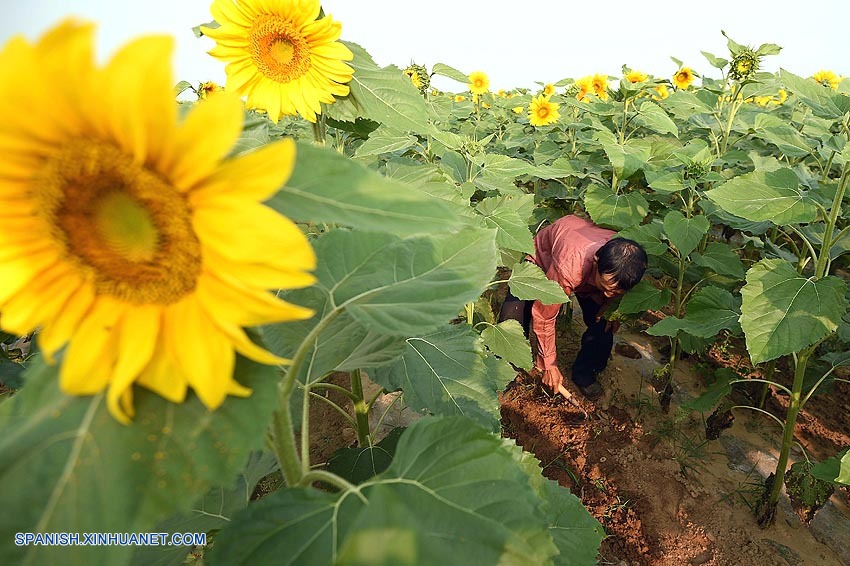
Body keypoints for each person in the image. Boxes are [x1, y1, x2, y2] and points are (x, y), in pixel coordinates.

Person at [499, 215, 647, 400]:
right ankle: (505, 374)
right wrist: (549, 364)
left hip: (589, 279)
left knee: (604, 325)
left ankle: (585, 373)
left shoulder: (629, 264)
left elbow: (615, 289)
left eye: (617, 291)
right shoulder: (569, 266)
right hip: (542, 261)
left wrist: (611, 306)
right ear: (596, 261)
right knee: (510, 321)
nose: (610, 294)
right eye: (608, 288)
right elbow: (545, 315)